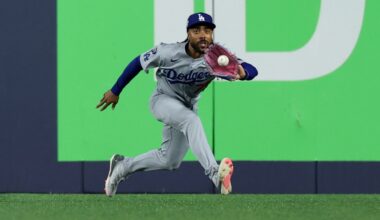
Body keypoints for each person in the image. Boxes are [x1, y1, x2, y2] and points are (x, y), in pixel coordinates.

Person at [97, 12, 258, 196]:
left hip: (187, 106)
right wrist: (116, 90)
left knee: (169, 160)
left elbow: (252, 70)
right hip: (163, 99)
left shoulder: (217, 58)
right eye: (196, 30)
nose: (203, 34)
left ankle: (122, 167)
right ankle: (216, 176)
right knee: (191, 121)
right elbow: (138, 62)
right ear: (188, 34)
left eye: (207, 30)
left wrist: (243, 73)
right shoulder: (168, 52)